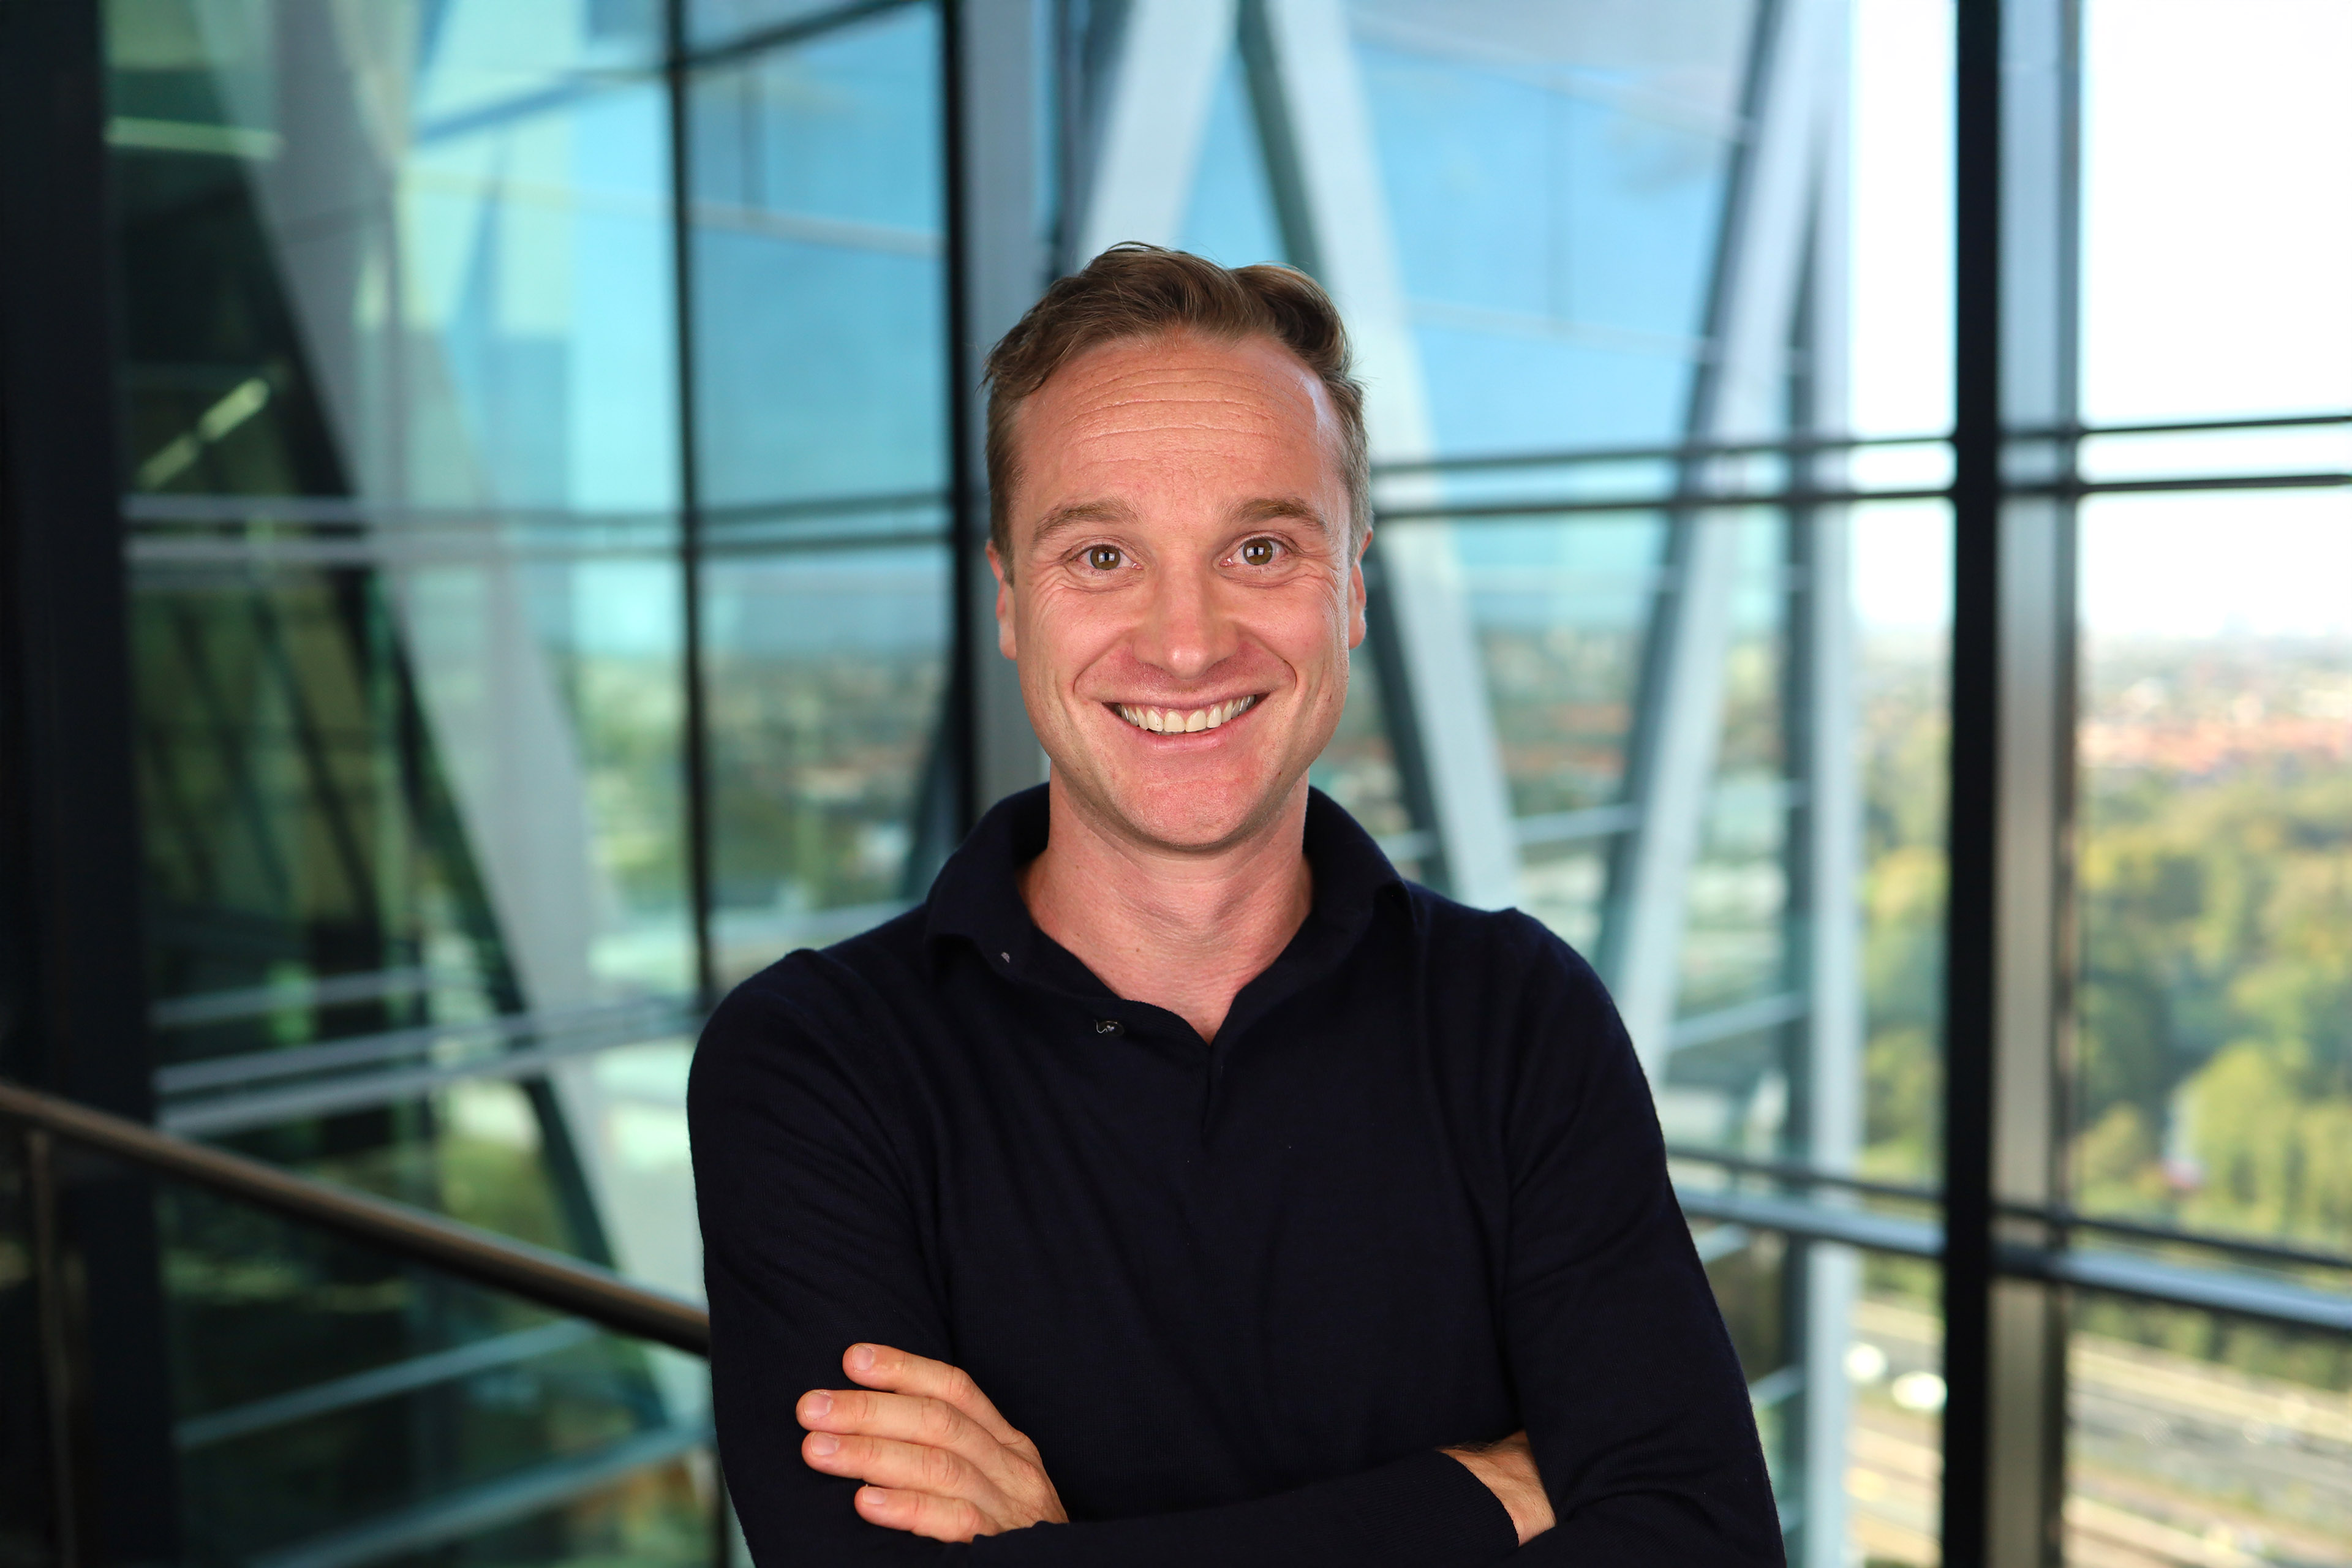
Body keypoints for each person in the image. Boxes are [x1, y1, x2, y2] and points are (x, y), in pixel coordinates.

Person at [688, 244, 1784, 1565]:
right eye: (1103, 554)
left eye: (1260, 548)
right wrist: (1475, 1497)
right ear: (1011, 602)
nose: (1188, 642)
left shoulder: (1517, 1016)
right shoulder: (814, 1063)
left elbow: (1704, 1536)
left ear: (1352, 587)